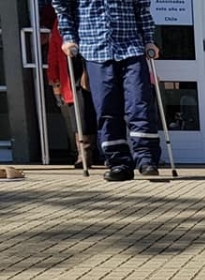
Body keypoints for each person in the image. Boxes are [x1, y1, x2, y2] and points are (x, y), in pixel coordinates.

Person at [51, 0, 161, 181]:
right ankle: (118, 163)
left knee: (139, 103)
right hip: (95, 49)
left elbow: (142, 8)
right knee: (107, 108)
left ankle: (146, 159)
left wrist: (149, 40)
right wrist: (69, 38)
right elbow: (63, 8)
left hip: (131, 47)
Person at [45, 7, 99, 168]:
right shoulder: (61, 22)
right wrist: (54, 79)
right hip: (71, 75)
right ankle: (84, 152)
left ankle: (98, 151)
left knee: (96, 110)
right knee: (79, 114)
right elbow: (54, 51)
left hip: (93, 68)